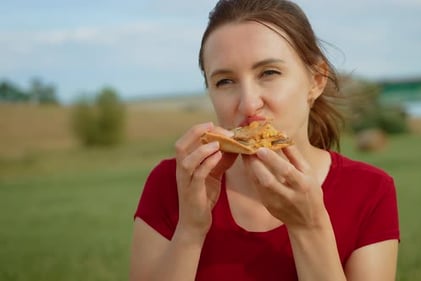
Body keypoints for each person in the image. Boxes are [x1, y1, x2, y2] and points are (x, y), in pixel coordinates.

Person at [129, 0, 400, 280]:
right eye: (225, 81)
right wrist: (190, 229)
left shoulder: (370, 191)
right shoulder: (172, 183)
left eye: (269, 73)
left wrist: (309, 227)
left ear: (316, 81)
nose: (248, 104)